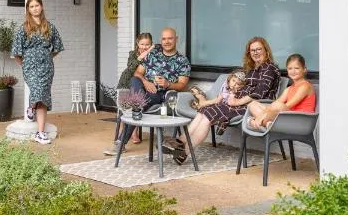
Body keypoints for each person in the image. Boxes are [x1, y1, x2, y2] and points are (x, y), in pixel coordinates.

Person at [166, 36, 280, 165]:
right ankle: (180, 142)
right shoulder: (252, 69)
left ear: (266, 50)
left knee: (208, 116)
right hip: (236, 103)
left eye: (258, 49)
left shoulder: (269, 68)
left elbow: (260, 93)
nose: (255, 53)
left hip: (251, 106)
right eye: (252, 50)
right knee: (204, 110)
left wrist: (237, 101)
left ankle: (184, 152)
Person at [118, 27, 190, 147]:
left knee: (137, 104)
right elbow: (137, 73)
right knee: (135, 80)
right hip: (142, 89)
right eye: (164, 39)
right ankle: (136, 107)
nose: (166, 42)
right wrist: (146, 82)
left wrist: (168, 84)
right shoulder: (152, 55)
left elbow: (182, 85)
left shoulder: (182, 61)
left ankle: (121, 142)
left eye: (170, 38)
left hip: (159, 94)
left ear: (176, 39)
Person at [11, 0, 64, 145]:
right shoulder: (23, 28)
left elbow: (57, 47)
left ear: (41, 7)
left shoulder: (50, 27)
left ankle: (40, 133)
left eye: (37, 5)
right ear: (28, 9)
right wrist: (25, 64)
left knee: (43, 98)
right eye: (31, 6)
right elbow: (16, 52)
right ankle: (32, 105)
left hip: (46, 67)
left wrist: (46, 56)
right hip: (30, 67)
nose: (35, 8)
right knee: (38, 91)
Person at [102, 32, 155, 154]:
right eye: (142, 44)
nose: (144, 47)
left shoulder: (153, 56)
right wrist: (141, 57)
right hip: (126, 85)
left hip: (141, 86)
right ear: (137, 44)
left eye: (147, 44)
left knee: (138, 104)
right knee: (126, 110)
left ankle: (131, 133)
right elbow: (130, 69)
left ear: (151, 44)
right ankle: (126, 135)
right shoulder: (133, 54)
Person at [247, 53, 316, 132]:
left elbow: (287, 105)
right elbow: (276, 104)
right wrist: (268, 110)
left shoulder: (305, 86)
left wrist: (261, 115)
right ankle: (267, 124)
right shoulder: (289, 88)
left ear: (304, 69)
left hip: (300, 121)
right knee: (252, 104)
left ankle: (255, 121)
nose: (293, 71)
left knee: (277, 106)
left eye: (297, 68)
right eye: (290, 68)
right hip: (288, 117)